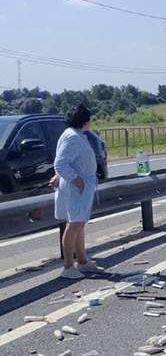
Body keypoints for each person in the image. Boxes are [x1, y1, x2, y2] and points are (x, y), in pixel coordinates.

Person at [52, 104, 103, 279]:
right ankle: (68, 267)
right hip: (76, 187)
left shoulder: (75, 135)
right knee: (73, 225)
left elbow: (63, 161)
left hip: (80, 186)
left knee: (79, 224)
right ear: (84, 121)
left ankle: (82, 261)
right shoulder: (72, 137)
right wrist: (76, 179)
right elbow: (60, 163)